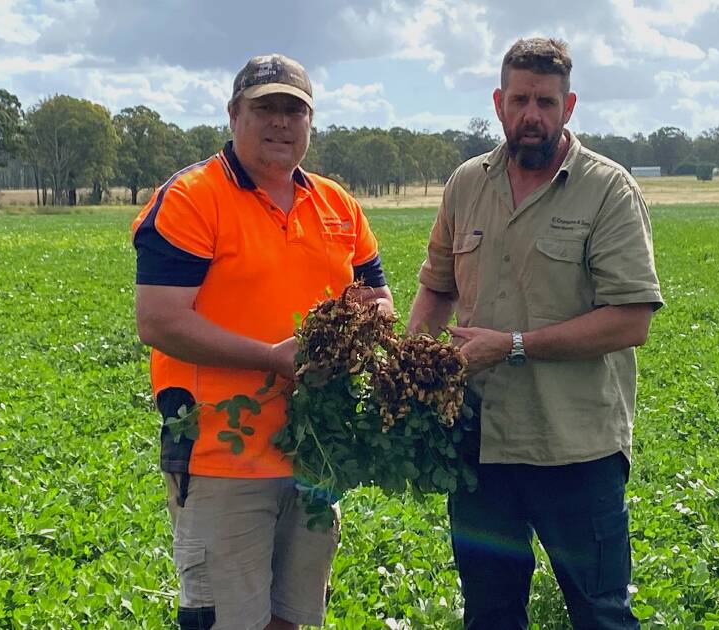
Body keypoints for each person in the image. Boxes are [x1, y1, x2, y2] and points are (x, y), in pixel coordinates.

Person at [408, 37, 662, 630]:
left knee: (600, 613)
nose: (532, 115)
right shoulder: (466, 184)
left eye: (546, 102)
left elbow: (632, 318)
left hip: (574, 448)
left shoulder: (608, 190)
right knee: (490, 613)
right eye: (520, 99)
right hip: (480, 446)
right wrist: (411, 366)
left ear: (568, 106)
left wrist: (514, 346)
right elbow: (437, 287)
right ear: (498, 103)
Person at [131, 53, 393, 630]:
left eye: (293, 110)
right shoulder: (194, 197)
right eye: (265, 107)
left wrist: (353, 334)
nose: (280, 122)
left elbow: (378, 300)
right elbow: (159, 320)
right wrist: (272, 358)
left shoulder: (336, 204)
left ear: (309, 123)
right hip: (219, 452)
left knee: (292, 618)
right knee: (227, 619)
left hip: (313, 450)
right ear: (233, 114)